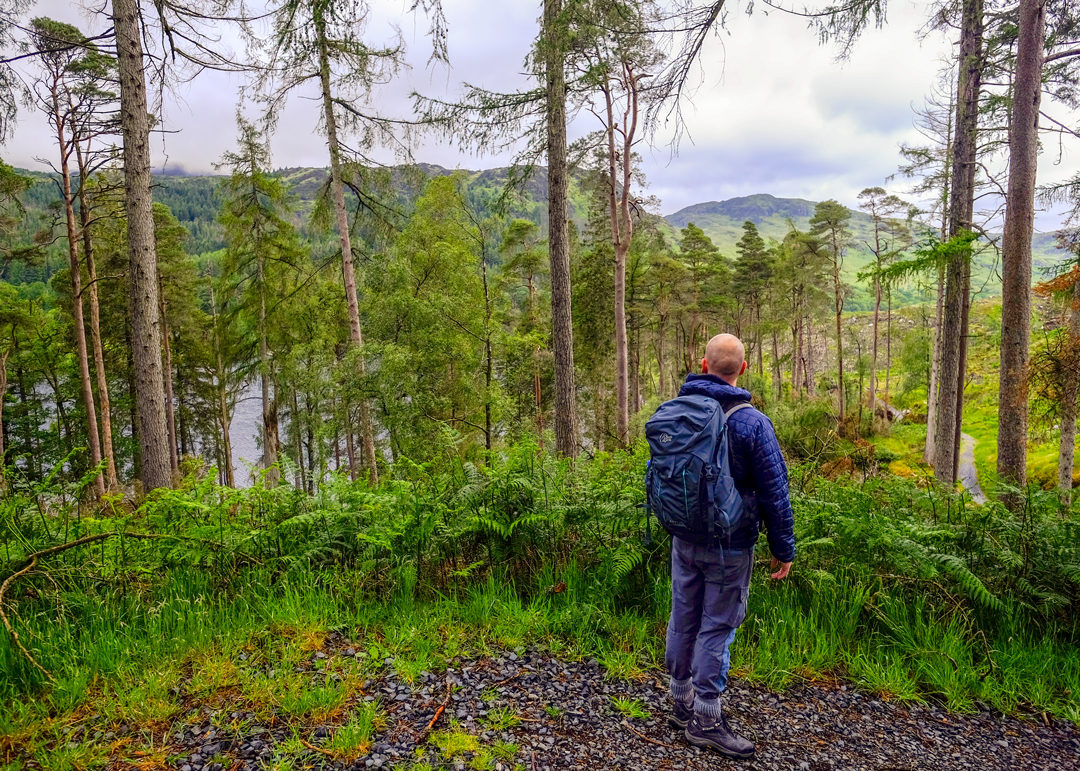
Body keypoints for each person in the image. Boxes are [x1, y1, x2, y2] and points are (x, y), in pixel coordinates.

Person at [665, 333, 795, 759]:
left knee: (684, 614)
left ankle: (680, 703)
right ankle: (706, 720)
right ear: (742, 369)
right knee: (717, 625)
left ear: (702, 366)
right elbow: (775, 491)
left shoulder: (678, 412)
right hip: (731, 543)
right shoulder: (751, 422)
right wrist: (784, 547)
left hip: (684, 536)